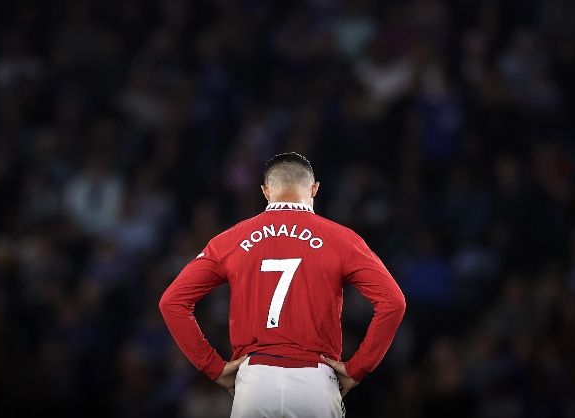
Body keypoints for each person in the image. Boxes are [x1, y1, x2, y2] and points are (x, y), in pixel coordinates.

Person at [159, 152, 406, 417]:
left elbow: (172, 302)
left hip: (254, 384)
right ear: (314, 188)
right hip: (316, 383)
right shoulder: (342, 239)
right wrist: (359, 367)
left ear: (265, 191)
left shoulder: (230, 241)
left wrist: (213, 367)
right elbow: (394, 302)